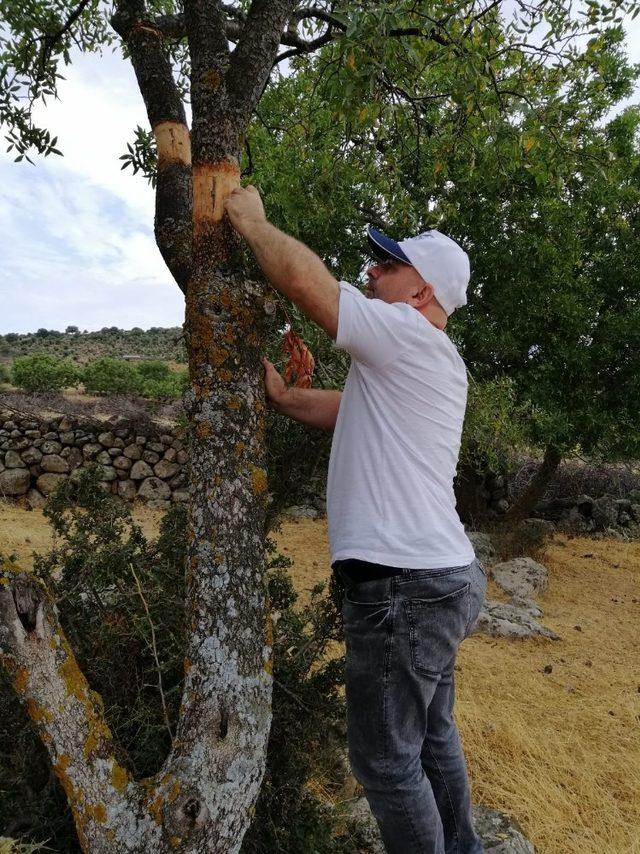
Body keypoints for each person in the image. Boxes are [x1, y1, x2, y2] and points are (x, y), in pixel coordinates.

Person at [225, 186, 487, 854]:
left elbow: (309, 286)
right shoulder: (432, 364)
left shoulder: (403, 334)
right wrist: (284, 396)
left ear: (421, 294)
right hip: (439, 578)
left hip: (403, 586)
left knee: (384, 760)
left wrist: (255, 224)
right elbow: (346, 408)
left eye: (387, 266)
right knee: (430, 738)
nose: (371, 271)